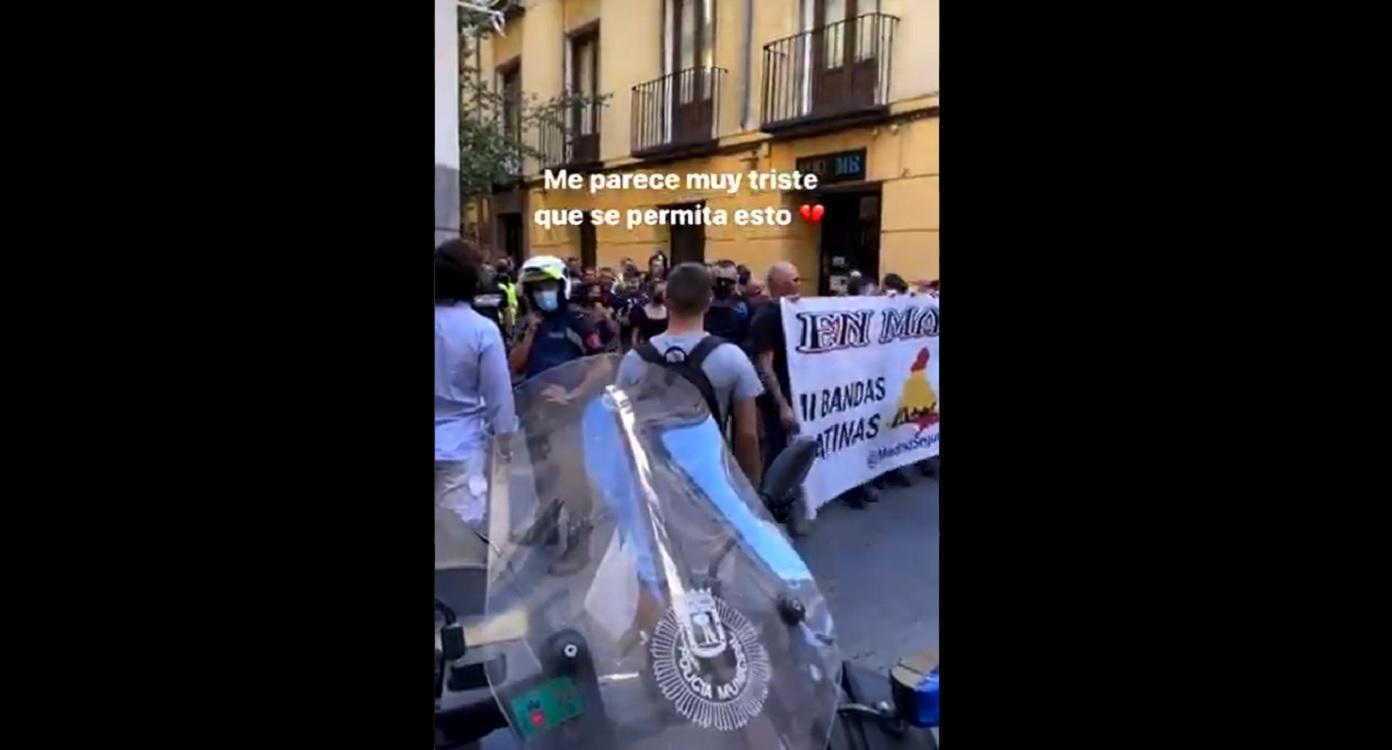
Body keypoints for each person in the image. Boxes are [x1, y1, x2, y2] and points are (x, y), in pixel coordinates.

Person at [507, 255, 611, 575]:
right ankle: (547, 527)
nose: (543, 293)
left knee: (572, 482)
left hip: (571, 417)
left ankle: (580, 546)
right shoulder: (528, 323)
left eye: (549, 286)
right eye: (537, 288)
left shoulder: (579, 321)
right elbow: (515, 366)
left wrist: (573, 395)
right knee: (544, 476)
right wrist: (529, 333)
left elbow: (604, 365)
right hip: (536, 414)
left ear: (562, 285)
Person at [616, 263, 764, 486]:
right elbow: (747, 436)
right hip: (711, 481)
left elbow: (623, 429)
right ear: (709, 300)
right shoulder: (732, 358)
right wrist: (751, 492)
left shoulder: (634, 360)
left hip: (656, 482)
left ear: (666, 299)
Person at [435, 239, 517, 539]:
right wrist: (505, 439)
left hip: (458, 446)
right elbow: (499, 397)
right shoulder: (480, 330)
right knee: (456, 544)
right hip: (461, 449)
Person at [705, 261, 749, 345]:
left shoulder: (701, 307)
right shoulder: (742, 308)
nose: (723, 284)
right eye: (720, 281)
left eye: (728, 281)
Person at [629, 281, 669, 347]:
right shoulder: (640, 311)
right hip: (646, 349)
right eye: (661, 291)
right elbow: (635, 335)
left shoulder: (669, 311)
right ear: (651, 292)